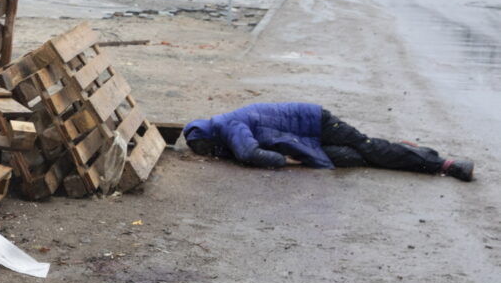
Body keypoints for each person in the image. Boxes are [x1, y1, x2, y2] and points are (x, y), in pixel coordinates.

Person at [182, 102, 474, 181]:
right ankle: (406, 152)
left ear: (208, 135)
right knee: (354, 158)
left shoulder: (228, 124)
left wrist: (283, 161)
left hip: (317, 123)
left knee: (368, 149)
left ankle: (444, 164)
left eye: (204, 149)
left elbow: (248, 153)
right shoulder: (224, 127)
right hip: (304, 139)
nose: (207, 154)